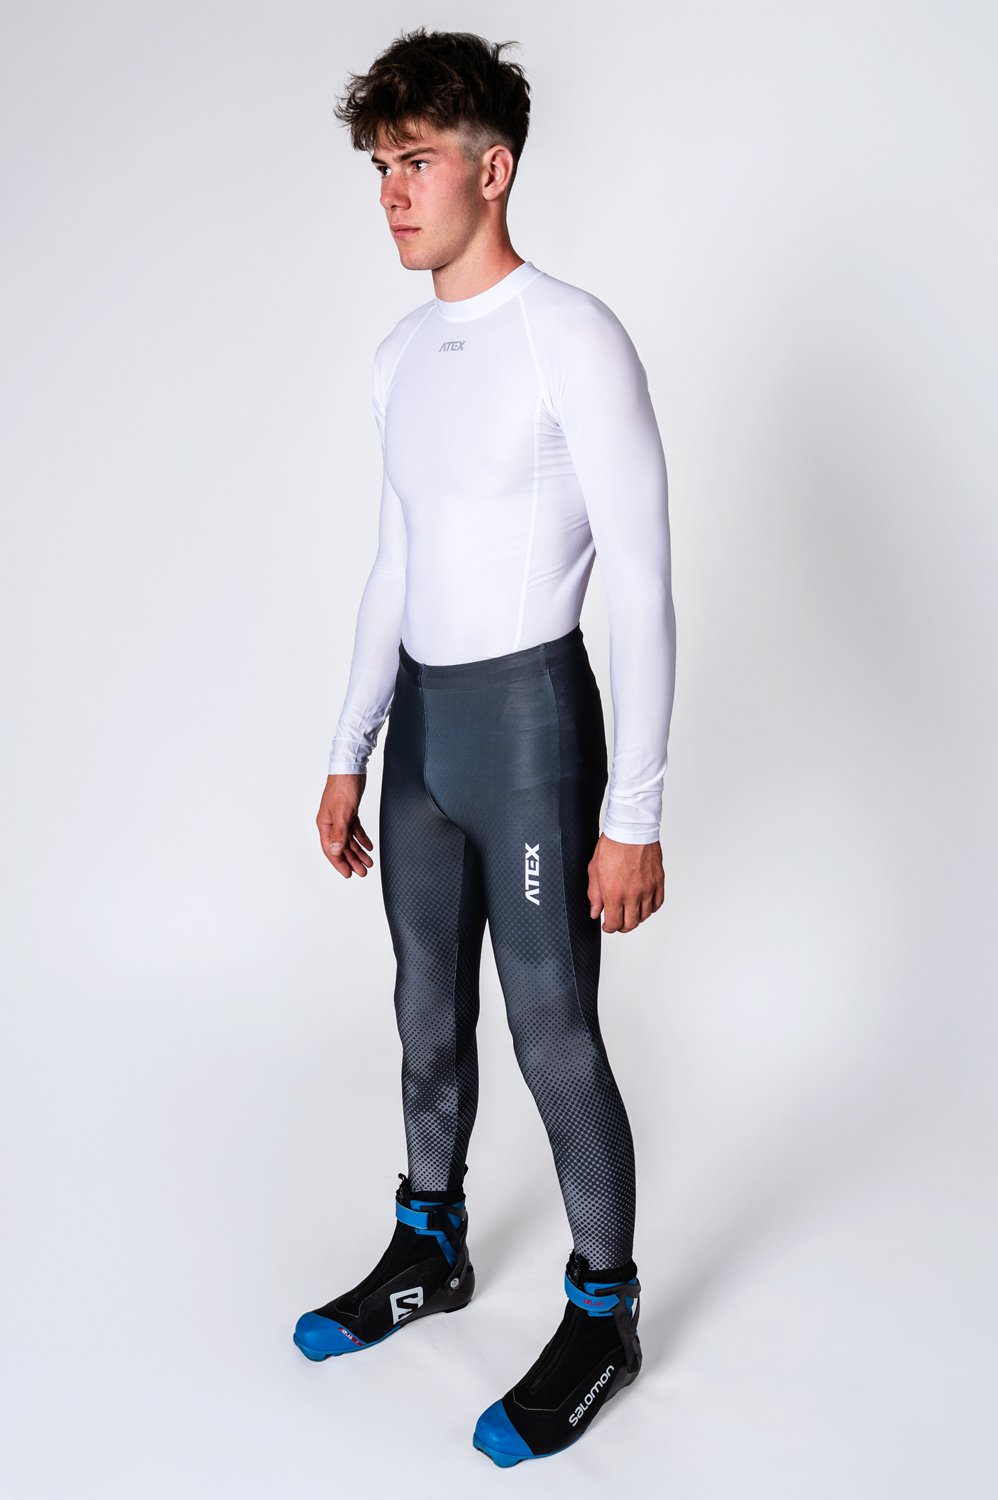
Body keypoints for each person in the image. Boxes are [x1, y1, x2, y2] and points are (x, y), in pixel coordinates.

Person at [292, 29, 675, 1466]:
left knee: (551, 1029)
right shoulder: (401, 357)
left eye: (416, 160)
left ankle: (603, 1312)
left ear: (492, 168)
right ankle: (429, 1246)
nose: (392, 191)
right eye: (378, 166)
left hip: (528, 731)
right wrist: (349, 746)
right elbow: (396, 560)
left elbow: (643, 584)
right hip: (425, 734)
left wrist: (634, 811)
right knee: (421, 1009)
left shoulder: (571, 335)